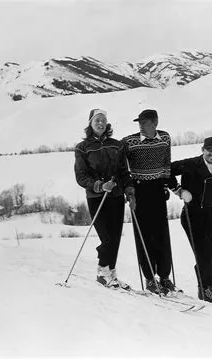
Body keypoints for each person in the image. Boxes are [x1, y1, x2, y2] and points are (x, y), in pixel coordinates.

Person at [74, 108, 136, 289]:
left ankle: (112, 273)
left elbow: (124, 172)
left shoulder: (117, 145)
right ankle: (102, 272)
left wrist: (130, 192)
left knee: (115, 237)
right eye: (96, 120)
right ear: (90, 124)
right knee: (106, 237)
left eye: (103, 120)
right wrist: (100, 186)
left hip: (116, 196)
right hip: (96, 197)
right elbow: (81, 176)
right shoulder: (82, 148)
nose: (100, 123)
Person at [122, 109, 179, 295]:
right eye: (139, 122)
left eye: (144, 122)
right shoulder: (129, 142)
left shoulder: (165, 138)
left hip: (157, 190)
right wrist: (128, 190)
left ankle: (164, 276)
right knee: (143, 234)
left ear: (154, 123)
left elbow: (167, 164)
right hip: (139, 191)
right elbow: (121, 167)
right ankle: (149, 277)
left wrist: (165, 185)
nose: (140, 126)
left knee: (162, 234)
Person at [171, 137, 212, 303]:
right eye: (210, 150)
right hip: (191, 213)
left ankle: (209, 287)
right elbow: (167, 171)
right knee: (204, 252)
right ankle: (203, 289)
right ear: (203, 150)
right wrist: (179, 191)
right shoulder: (192, 164)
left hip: (209, 214)